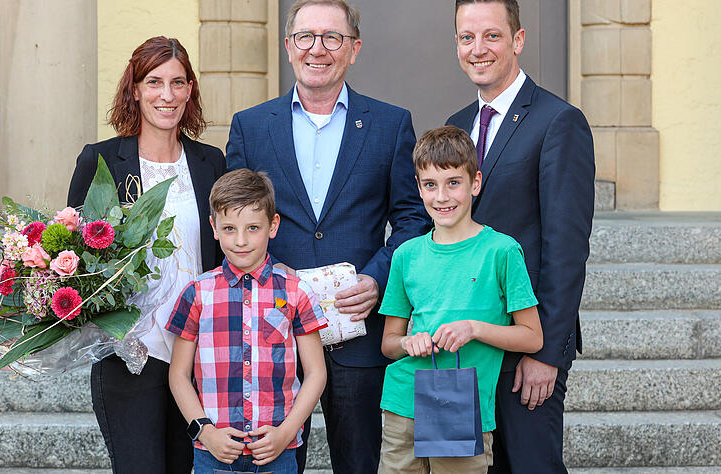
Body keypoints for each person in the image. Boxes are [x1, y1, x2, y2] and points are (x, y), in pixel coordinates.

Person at [226, 1, 430, 471]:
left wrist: (377, 279)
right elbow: (233, 217)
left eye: (332, 37)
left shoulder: (390, 124)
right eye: (306, 37)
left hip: (357, 331)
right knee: (270, 464)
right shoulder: (251, 126)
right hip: (272, 332)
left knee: (359, 464)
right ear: (288, 47)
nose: (317, 49)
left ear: (354, 49)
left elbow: (412, 219)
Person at [445, 1, 595, 472]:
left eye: (492, 35)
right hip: (461, 348)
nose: (478, 49)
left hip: (523, 349)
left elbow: (566, 250)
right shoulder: (456, 124)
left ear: (518, 40)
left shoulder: (558, 121)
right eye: (467, 37)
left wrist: (546, 353)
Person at [67, 36, 225, 473]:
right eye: (154, 82)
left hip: (199, 352)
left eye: (178, 82)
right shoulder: (101, 160)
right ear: (134, 89)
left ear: (190, 90)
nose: (166, 95)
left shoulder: (211, 163)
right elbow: (76, 260)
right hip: (130, 354)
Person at [378, 126, 543, 474]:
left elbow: (532, 337)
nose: (441, 197)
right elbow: (389, 343)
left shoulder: (502, 251)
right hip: (403, 404)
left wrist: (473, 328)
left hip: (463, 409)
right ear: (418, 187)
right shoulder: (406, 254)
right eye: (430, 185)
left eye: (453, 183)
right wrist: (408, 342)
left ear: (475, 183)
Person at [166, 169, 328, 474]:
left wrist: (286, 433)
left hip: (277, 451)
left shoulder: (296, 292)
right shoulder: (196, 293)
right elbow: (178, 375)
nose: (241, 241)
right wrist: (205, 432)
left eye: (253, 228)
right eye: (229, 228)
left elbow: (316, 373)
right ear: (214, 227)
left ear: (273, 225)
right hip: (214, 453)